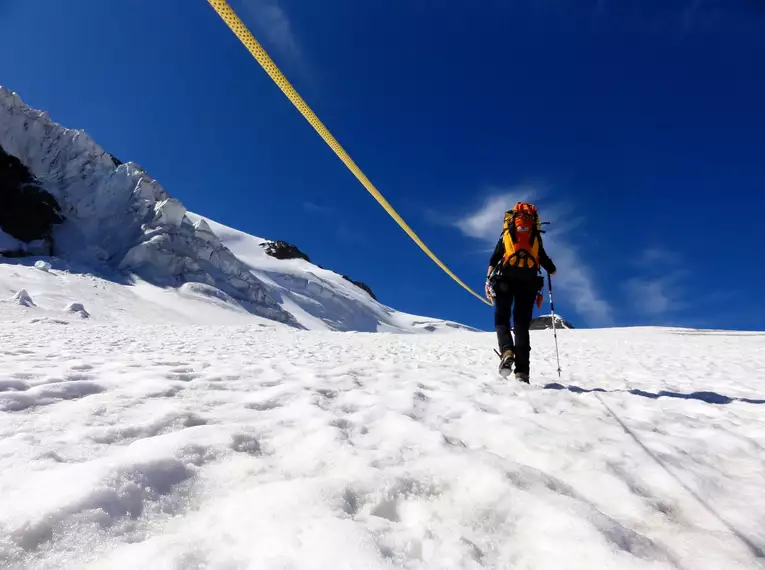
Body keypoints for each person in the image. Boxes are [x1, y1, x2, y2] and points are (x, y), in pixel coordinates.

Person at [485, 202, 556, 382]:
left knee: (502, 319)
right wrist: (550, 267)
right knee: (521, 326)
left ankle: (507, 350)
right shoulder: (535, 237)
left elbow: (494, 258)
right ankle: (522, 373)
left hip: (504, 280)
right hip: (528, 283)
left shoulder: (507, 234)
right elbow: (548, 265)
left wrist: (487, 281)